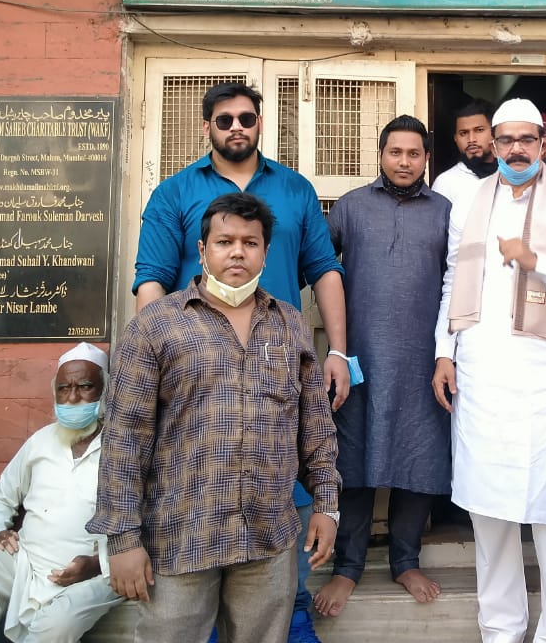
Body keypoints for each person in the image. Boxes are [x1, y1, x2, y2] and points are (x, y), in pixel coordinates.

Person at [131, 81, 346, 643]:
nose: (235, 128)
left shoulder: (295, 190)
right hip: (195, 387)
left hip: (275, 363)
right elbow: (150, 278)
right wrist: (158, 350)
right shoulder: (175, 192)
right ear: (207, 127)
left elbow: (324, 270)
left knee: (279, 477)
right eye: (223, 119)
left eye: (246, 119)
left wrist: (338, 352)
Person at [90, 192, 341, 643]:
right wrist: (122, 539)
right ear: (203, 250)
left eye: (251, 242)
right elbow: (125, 438)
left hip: (268, 537)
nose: (238, 252)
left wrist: (327, 505)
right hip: (180, 536)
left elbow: (315, 428)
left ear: (266, 251)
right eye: (225, 241)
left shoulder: (290, 324)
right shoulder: (157, 326)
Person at [432, 98, 546, 643]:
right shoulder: (469, 200)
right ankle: (501, 631)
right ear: (492, 143)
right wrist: (445, 350)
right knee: (490, 517)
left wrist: (539, 262)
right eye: (504, 139)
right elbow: (451, 279)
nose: (514, 149)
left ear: (542, 143)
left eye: (526, 140)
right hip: (484, 380)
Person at [313, 115, 452, 619]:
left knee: (420, 456)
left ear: (425, 159)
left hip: (424, 358)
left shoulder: (445, 212)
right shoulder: (349, 207)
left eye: (414, 154)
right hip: (359, 358)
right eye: (395, 152)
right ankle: (347, 567)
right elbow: (317, 265)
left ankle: (405, 561)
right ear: (381, 155)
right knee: (353, 459)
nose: (404, 162)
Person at [0, 342, 123, 643]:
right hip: (27, 560)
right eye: (63, 388)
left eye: (84, 387)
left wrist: (96, 565)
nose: (72, 398)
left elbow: (143, 524)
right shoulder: (40, 442)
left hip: (94, 571)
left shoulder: (122, 448)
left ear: (104, 390)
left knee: (55, 626)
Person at [431, 98, 496, 218]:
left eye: (479, 130)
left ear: (494, 133)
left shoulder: (509, 175)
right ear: (455, 138)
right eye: (463, 133)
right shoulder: (446, 183)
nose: (471, 139)